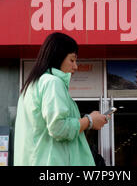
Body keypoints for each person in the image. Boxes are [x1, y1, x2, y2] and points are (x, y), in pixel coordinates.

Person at [14, 32, 109, 166]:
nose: (75, 66)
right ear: (57, 57)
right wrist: (90, 121)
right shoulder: (52, 82)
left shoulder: (31, 86)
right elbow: (58, 128)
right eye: (72, 60)